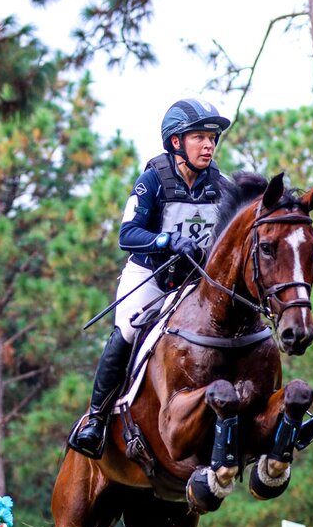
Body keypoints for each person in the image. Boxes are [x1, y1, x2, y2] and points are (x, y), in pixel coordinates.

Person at [68, 98, 233, 459]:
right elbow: (127, 234)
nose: (209, 145)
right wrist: (166, 241)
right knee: (127, 330)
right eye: (200, 137)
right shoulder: (152, 180)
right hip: (151, 276)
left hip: (194, 283)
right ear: (176, 142)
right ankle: (96, 419)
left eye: (213, 139)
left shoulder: (221, 185)